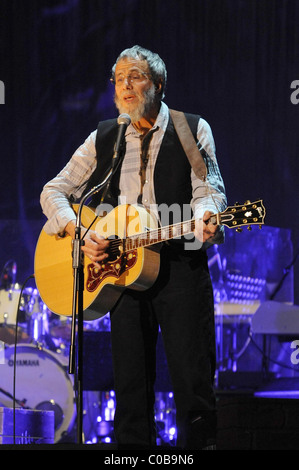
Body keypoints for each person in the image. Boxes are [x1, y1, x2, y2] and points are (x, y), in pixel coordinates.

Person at [40, 45, 227, 450]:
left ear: (158, 84)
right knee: (130, 390)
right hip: (120, 274)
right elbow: (54, 191)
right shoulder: (105, 136)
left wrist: (209, 215)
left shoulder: (190, 128)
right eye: (119, 78)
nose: (125, 85)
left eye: (136, 76)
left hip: (180, 268)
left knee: (193, 385)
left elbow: (207, 190)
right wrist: (78, 231)